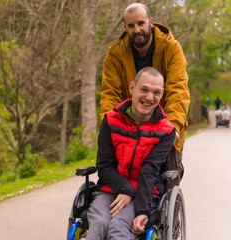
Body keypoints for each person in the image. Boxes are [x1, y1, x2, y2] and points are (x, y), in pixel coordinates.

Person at [99, 3, 190, 187]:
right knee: (117, 182)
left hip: (163, 125)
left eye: (141, 23)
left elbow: (178, 90)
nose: (137, 29)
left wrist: (173, 127)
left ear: (151, 22)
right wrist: (108, 128)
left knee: (166, 185)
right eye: (131, 26)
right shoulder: (115, 54)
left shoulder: (171, 48)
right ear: (125, 27)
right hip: (127, 126)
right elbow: (109, 94)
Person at [86, 67, 176, 239]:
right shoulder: (111, 120)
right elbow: (104, 166)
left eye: (156, 92)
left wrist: (143, 211)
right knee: (99, 224)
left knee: (118, 227)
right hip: (109, 190)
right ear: (132, 88)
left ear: (162, 94)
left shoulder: (166, 131)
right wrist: (125, 189)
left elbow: (150, 171)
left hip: (145, 194)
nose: (149, 97)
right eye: (144, 90)